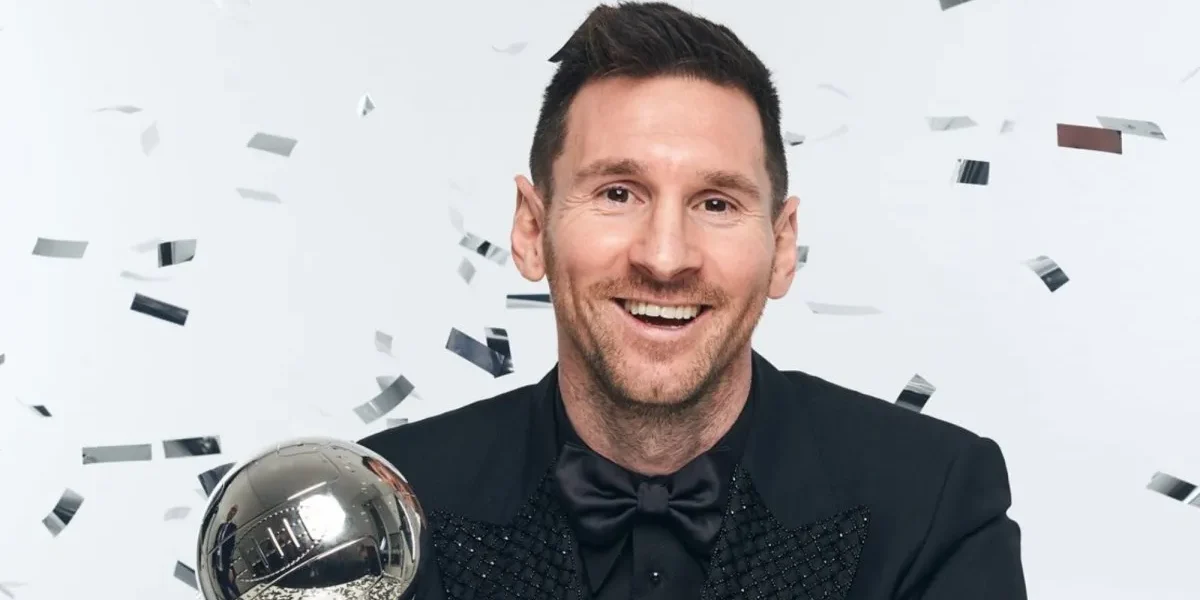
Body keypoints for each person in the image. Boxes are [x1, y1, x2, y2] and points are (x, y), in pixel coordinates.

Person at [360, 2, 1027, 598]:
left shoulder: (935, 501)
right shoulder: (384, 508)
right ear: (532, 231)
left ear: (782, 246)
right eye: (618, 193)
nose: (665, 256)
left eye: (716, 203)